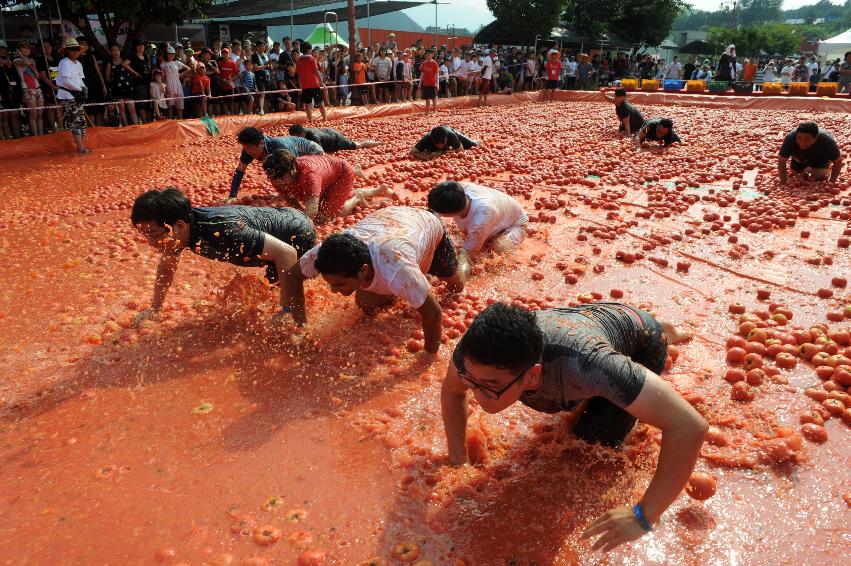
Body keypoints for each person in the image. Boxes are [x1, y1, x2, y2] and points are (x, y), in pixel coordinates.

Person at [440, 302, 706, 551]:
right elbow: (453, 392)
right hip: (583, 325)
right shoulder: (474, 353)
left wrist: (644, 516)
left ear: (532, 373)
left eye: (491, 386)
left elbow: (689, 426)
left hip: (639, 343)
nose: (477, 395)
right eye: (471, 380)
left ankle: (662, 333)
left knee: (587, 447)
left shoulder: (588, 365)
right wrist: (457, 460)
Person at [294, 206, 470, 353]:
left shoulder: (397, 267)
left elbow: (433, 313)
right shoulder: (326, 252)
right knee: (365, 303)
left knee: (456, 286)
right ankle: (417, 281)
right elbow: (292, 275)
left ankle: (463, 256)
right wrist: (300, 327)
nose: (332, 290)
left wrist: (428, 357)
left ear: (363, 270)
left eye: (339, 284)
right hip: (390, 222)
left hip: (427, 225)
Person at [131, 187, 315, 326]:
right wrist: (155, 308)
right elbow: (167, 267)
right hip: (276, 228)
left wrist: (287, 309)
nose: (150, 243)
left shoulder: (223, 231)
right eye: (145, 235)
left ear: (179, 226)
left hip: (295, 234)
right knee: (253, 299)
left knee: (279, 306)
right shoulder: (177, 233)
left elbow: (287, 252)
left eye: (154, 235)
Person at [261, 150, 391, 224]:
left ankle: (356, 198)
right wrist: (299, 212)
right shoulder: (276, 175)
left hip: (341, 173)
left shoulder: (309, 176)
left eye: (282, 179)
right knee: (322, 206)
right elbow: (289, 197)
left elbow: (312, 211)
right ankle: (374, 191)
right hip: (326, 175)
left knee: (326, 218)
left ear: (292, 169)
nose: (279, 183)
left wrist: (295, 225)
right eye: (275, 180)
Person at [427, 180, 527, 258]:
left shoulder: (481, 218)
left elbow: (468, 254)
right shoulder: (455, 189)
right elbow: (433, 212)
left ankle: (512, 236)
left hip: (515, 222)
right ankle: (484, 237)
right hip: (496, 217)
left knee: (498, 249)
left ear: (450, 214)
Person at [229, 126, 324, 199]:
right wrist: (232, 196)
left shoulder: (278, 147)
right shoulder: (249, 150)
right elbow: (239, 171)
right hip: (294, 154)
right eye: (244, 147)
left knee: (308, 176)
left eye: (249, 147)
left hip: (312, 151)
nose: (247, 151)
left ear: (261, 143)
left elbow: (294, 167)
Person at [777, 122, 843, 185]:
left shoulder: (826, 141)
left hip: (819, 158)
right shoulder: (790, 138)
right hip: (799, 158)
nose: (802, 143)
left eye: (807, 139)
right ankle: (806, 167)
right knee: (796, 175)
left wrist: (832, 182)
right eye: (799, 138)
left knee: (819, 177)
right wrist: (783, 182)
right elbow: (781, 161)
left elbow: (838, 161)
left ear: (816, 137)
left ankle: (818, 167)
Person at [56, 38, 89, 154]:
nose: (75, 52)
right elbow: (65, 81)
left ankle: (81, 146)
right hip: (67, 95)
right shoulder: (64, 62)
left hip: (76, 94)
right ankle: (80, 147)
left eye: (77, 49)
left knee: (81, 121)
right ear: (68, 51)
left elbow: (80, 79)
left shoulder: (78, 63)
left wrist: (84, 88)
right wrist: (80, 89)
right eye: (72, 50)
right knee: (76, 120)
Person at [13, 42, 44, 136]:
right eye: (24, 48)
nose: (27, 50)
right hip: (27, 89)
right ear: (19, 50)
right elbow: (26, 62)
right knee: (33, 115)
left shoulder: (32, 60)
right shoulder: (16, 60)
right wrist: (21, 54)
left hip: (37, 87)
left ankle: (41, 135)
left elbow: (38, 76)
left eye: (28, 48)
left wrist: (34, 68)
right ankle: (36, 136)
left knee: (40, 114)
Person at [288, 123, 383, 153]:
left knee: (358, 145)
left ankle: (379, 143)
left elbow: (320, 153)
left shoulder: (314, 137)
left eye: (297, 137)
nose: (296, 139)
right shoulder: (303, 131)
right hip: (328, 131)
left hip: (336, 139)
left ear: (301, 133)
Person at [296, 41, 327, 122]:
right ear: (309, 50)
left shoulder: (299, 60)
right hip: (314, 84)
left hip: (305, 85)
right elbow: (316, 72)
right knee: (320, 102)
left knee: (308, 103)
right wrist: (322, 82)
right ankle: (325, 118)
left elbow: (298, 75)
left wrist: (300, 86)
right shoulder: (311, 58)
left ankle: (310, 120)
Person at [410, 125, 479, 161]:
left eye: (442, 142)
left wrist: (443, 152)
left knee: (473, 144)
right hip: (434, 145)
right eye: (436, 142)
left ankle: (478, 141)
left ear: (446, 138)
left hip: (450, 130)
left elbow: (460, 151)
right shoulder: (427, 138)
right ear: (432, 139)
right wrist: (423, 156)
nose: (440, 144)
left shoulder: (451, 135)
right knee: (433, 150)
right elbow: (412, 152)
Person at [420, 48, 439, 114]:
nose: (427, 55)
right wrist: (420, 83)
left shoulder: (434, 63)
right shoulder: (424, 63)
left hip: (432, 83)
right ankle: (427, 111)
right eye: (426, 54)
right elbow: (422, 73)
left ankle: (434, 111)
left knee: (433, 98)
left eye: (429, 54)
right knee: (427, 99)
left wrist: (437, 84)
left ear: (432, 55)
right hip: (425, 83)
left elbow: (437, 74)